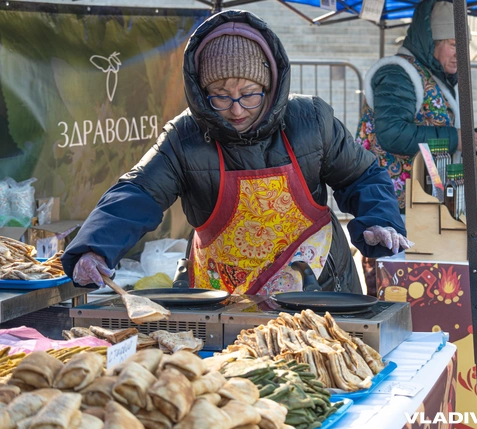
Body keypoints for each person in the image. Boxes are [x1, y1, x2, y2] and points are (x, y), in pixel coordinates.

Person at [61, 10, 411, 296]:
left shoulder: (310, 120)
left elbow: (362, 175)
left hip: (318, 287)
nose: (237, 109)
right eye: (220, 95)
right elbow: (138, 193)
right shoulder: (185, 137)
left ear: (269, 85)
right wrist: (94, 247)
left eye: (249, 93)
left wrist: (380, 218)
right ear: (201, 93)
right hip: (221, 296)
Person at [355, 0, 477, 295]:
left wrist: (473, 140)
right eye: (451, 44)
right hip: (392, 209)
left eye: (464, 44)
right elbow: (392, 134)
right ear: (429, 41)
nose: (460, 53)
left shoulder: (432, 76)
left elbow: (435, 134)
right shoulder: (398, 75)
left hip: (425, 208)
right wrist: (457, 138)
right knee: (391, 297)